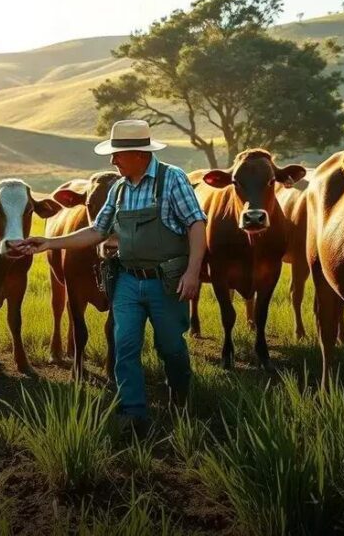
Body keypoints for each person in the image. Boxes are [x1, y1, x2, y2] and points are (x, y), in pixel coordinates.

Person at [15, 119, 207, 433]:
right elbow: (96, 231)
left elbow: (196, 224)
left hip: (166, 280)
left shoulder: (172, 179)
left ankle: (180, 397)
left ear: (139, 154)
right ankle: (132, 412)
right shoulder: (118, 190)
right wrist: (49, 242)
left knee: (170, 346)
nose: (112, 161)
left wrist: (193, 271)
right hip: (128, 280)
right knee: (125, 344)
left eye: (118, 154)